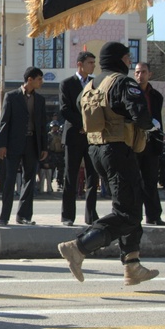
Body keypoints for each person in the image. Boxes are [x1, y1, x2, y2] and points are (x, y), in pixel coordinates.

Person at [57, 42, 160, 286]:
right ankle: (79, 246)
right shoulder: (122, 82)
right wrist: (151, 125)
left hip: (97, 150)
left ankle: (132, 264)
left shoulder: (91, 85)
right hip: (118, 150)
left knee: (130, 205)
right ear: (121, 59)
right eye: (128, 58)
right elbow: (139, 113)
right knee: (128, 213)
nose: (130, 62)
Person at [0, 67, 47, 226]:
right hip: (13, 144)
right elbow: (4, 122)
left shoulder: (40, 100)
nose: (41, 82)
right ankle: (4, 216)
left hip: (32, 144)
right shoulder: (12, 97)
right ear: (30, 79)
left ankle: (24, 216)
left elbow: (42, 125)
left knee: (29, 180)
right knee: (9, 179)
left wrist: (44, 146)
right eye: (39, 79)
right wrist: (2, 144)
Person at [60, 51, 99, 227]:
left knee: (93, 176)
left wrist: (92, 127)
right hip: (74, 135)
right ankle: (67, 216)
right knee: (71, 176)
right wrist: (82, 125)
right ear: (80, 64)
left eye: (94, 62)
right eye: (90, 62)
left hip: (92, 137)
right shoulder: (67, 84)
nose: (93, 66)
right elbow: (65, 109)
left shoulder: (95, 84)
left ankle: (91, 215)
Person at [133, 62, 165, 225]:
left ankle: (154, 216)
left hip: (151, 143)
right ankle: (134, 216)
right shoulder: (130, 92)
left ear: (150, 74)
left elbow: (158, 120)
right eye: (138, 72)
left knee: (151, 181)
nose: (141, 75)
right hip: (134, 142)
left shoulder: (156, 96)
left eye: (144, 72)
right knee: (134, 182)